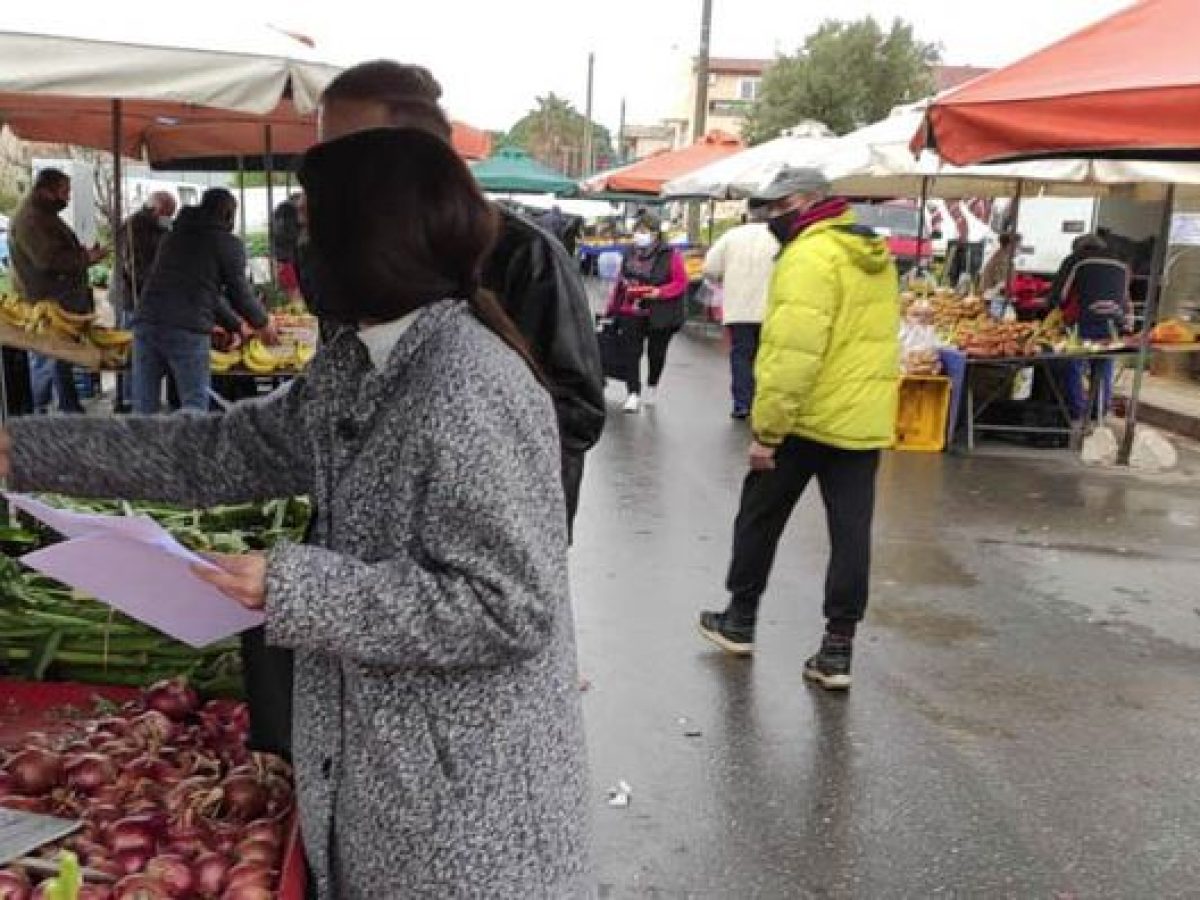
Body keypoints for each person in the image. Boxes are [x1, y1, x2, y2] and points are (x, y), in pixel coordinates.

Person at [0, 126, 591, 898]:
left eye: (309, 226)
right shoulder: (360, 360)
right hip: (386, 773)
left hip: (459, 807)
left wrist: (293, 587)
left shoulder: (468, 384)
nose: (296, 251)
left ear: (371, 238)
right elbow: (217, 453)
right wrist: (25, 450)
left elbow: (508, 606)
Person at [317, 60, 604, 527]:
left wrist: (428, 447)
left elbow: (579, 410)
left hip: (494, 530)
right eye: (323, 155)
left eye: (353, 155)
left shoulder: (526, 253)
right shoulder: (346, 260)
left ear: (425, 158)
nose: (327, 177)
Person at [697, 167, 900, 691]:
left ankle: (740, 619)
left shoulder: (809, 255)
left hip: (805, 418)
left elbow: (792, 354)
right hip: (862, 420)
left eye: (777, 208)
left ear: (807, 203)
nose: (769, 218)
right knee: (851, 533)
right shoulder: (874, 255)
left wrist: (767, 431)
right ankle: (838, 650)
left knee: (760, 515)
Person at [133, 188, 274, 414]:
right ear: (229, 214)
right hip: (187, 329)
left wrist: (237, 326)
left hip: (147, 321)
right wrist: (263, 324)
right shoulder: (228, 244)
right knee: (194, 402)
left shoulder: (173, 236)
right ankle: (192, 449)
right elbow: (240, 294)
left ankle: (137, 448)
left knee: (143, 404)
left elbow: (208, 292)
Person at [8, 168, 107, 414]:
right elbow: (47, 259)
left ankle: (66, 405)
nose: (68, 197)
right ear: (45, 191)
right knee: (47, 357)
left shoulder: (43, 215)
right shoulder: (32, 218)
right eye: (64, 192)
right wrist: (85, 257)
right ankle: (39, 413)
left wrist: (82, 255)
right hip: (46, 302)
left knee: (58, 357)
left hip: (57, 299)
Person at [605, 212, 689, 413]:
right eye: (636, 231)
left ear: (655, 233)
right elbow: (620, 280)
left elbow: (680, 282)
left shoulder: (670, 255)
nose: (638, 235)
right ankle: (633, 393)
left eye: (643, 231)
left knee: (656, 353)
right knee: (631, 353)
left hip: (659, 312)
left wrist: (659, 292)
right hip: (630, 309)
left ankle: (652, 384)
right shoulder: (629, 253)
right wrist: (611, 307)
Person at [703, 200, 779, 419]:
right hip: (772, 308)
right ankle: (764, 402)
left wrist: (725, 278)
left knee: (741, 355)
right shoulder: (780, 237)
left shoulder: (732, 236)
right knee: (768, 356)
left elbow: (710, 268)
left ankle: (741, 403)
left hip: (738, 309)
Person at [1050, 233, 1133, 420]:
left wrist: (1054, 306)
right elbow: (1125, 299)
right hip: (1112, 324)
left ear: (1079, 248)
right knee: (1104, 365)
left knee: (1074, 364)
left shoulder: (1076, 260)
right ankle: (1099, 413)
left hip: (1083, 322)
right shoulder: (1120, 263)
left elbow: (1060, 296)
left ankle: (1077, 412)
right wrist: (1125, 323)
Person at [113, 191, 178, 413]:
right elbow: (135, 268)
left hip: (148, 297)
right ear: (158, 209)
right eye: (169, 213)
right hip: (134, 298)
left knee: (143, 352)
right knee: (133, 351)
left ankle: (140, 398)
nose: (170, 217)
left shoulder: (154, 227)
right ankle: (131, 399)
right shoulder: (134, 228)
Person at [271, 193, 303, 300]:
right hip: (290, 258)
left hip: (281, 258)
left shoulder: (279, 212)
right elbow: (291, 235)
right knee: (294, 292)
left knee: (290, 291)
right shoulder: (290, 213)